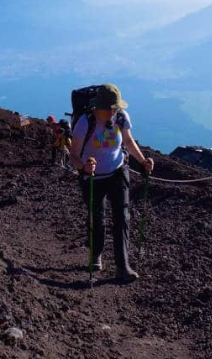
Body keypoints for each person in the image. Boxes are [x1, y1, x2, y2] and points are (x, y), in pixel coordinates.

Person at [69, 84, 154, 282]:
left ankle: (123, 266)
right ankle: (96, 254)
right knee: (97, 219)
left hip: (118, 172)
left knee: (122, 217)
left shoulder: (122, 117)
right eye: (111, 109)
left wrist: (143, 161)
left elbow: (129, 142)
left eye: (116, 108)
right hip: (92, 178)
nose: (114, 111)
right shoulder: (85, 122)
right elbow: (73, 155)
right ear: (98, 107)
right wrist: (83, 167)